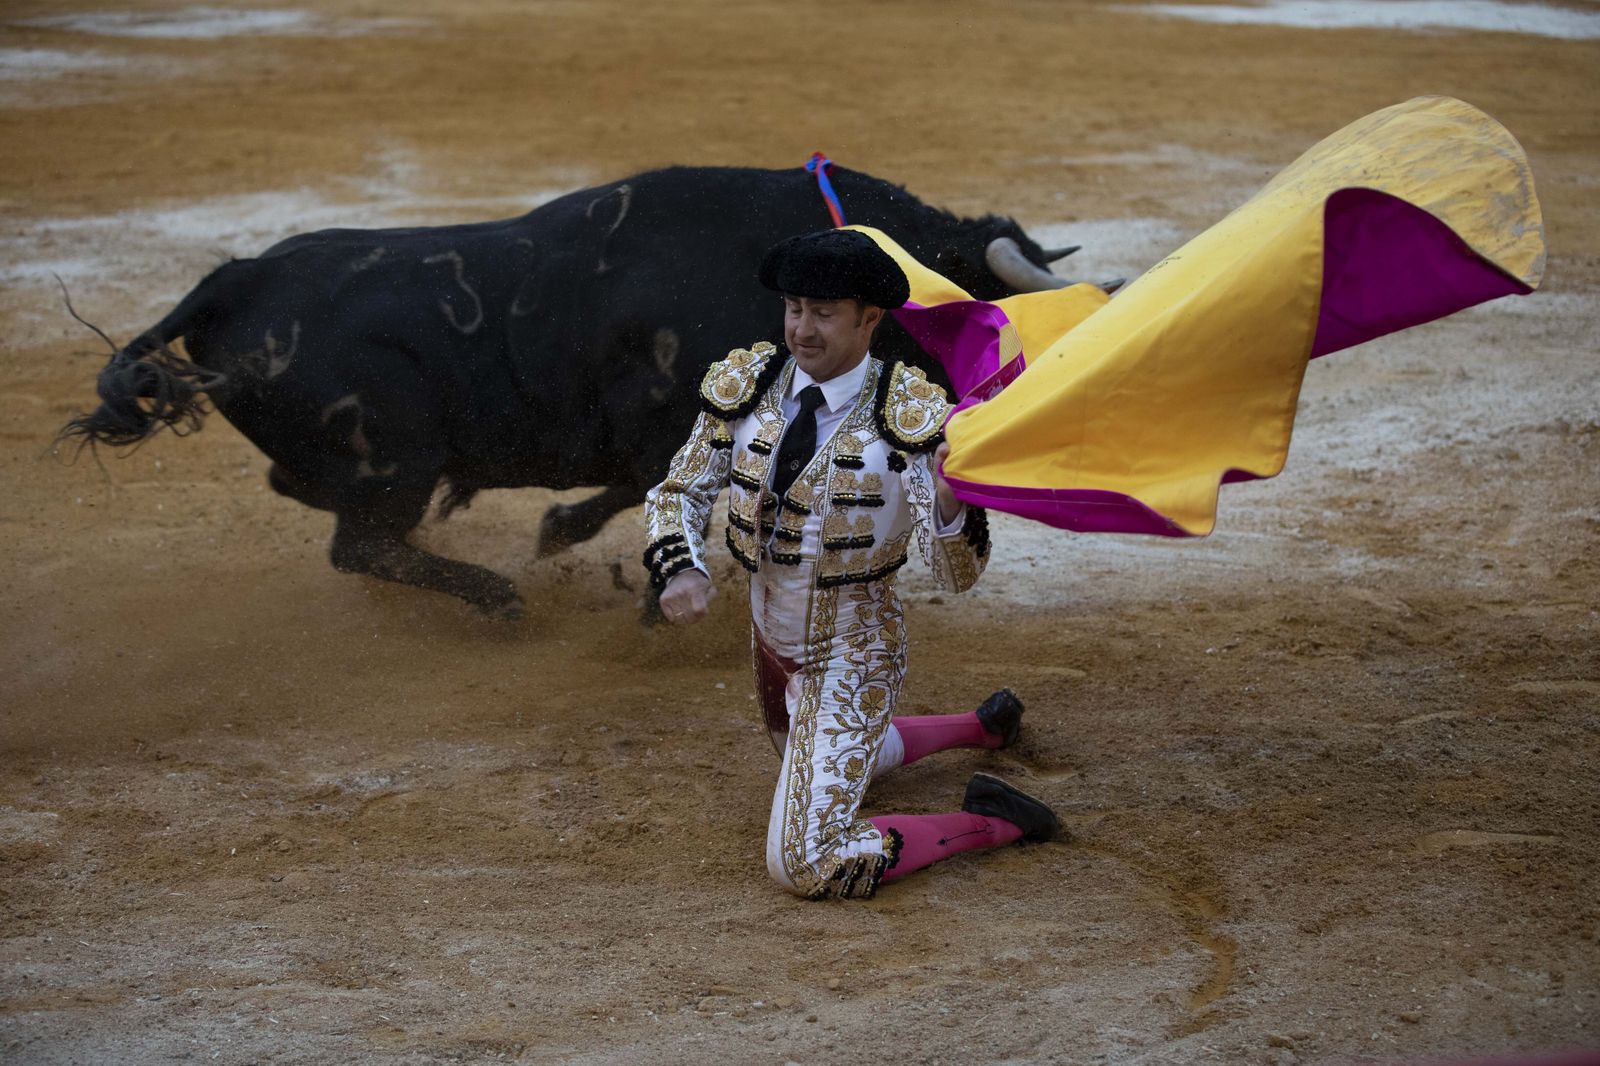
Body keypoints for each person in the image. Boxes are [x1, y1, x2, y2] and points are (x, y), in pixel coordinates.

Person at [643, 228, 1060, 901]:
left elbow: (958, 577)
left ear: (871, 318)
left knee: (803, 859)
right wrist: (681, 566)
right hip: (769, 640)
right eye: (794, 308)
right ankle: (977, 728)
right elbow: (679, 490)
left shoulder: (915, 420)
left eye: (824, 313)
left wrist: (952, 502)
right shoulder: (748, 386)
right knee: (806, 761)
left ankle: (991, 818)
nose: (803, 330)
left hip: (853, 647)